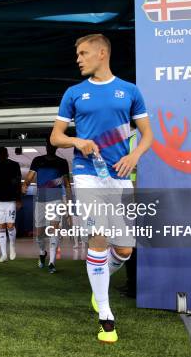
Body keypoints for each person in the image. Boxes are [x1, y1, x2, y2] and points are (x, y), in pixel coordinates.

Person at [50, 34, 153, 343]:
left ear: (102, 53)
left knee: (123, 249)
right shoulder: (74, 93)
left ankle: (100, 284)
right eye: (77, 53)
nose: (78, 58)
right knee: (99, 237)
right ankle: (106, 315)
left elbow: (147, 135)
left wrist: (133, 156)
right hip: (87, 175)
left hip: (119, 176)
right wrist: (75, 140)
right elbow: (56, 137)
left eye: (83, 53)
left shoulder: (130, 91)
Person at [22, 137, 71, 274]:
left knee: (55, 228)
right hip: (40, 199)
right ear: (46, 146)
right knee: (39, 233)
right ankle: (42, 252)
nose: (50, 147)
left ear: (56, 146)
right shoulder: (37, 160)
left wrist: (70, 205)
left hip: (55, 199)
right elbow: (30, 177)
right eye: (48, 144)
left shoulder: (62, 162)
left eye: (53, 144)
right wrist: (25, 184)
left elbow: (67, 184)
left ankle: (52, 262)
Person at [0, 147, 22, 262]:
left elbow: (18, 182)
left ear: (7, 154)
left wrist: (18, 199)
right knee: (0, 226)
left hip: (11, 200)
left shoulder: (15, 165)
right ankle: (3, 254)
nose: (1, 155)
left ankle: (12, 246)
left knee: (10, 225)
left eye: (3, 153)